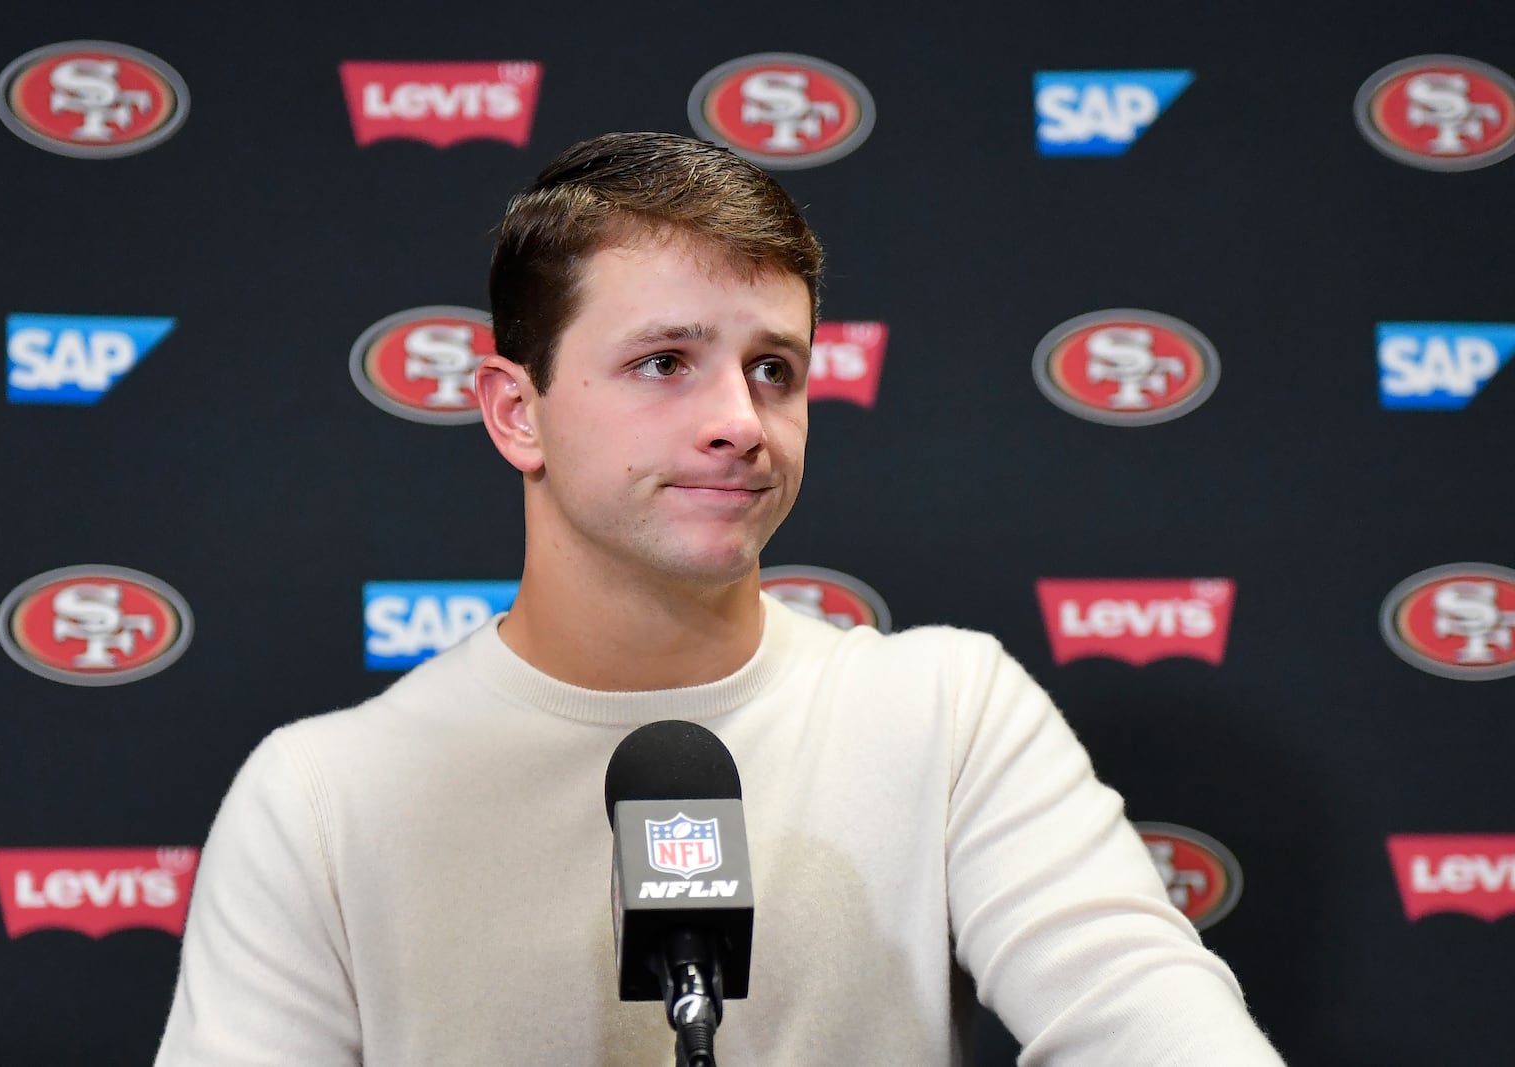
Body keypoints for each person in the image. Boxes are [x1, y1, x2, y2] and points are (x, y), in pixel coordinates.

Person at [154, 131, 1284, 1065]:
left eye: (774, 368)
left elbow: (1152, 1021)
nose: (741, 420)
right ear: (515, 411)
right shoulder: (320, 795)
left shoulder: (946, 710)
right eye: (664, 363)